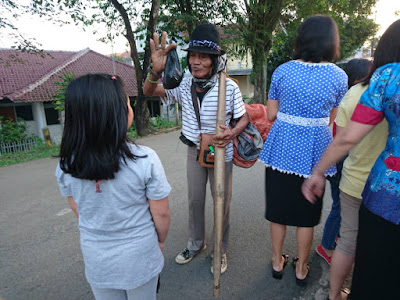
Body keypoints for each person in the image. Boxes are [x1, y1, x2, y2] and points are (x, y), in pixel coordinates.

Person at [302, 19, 400, 300]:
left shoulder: (385, 80)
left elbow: (343, 137)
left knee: (352, 244)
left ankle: (334, 295)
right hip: (372, 190)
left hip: (381, 191)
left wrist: (318, 171)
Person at [143, 23, 248, 274]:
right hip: (194, 150)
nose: (196, 62)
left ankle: (219, 251)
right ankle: (195, 243)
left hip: (222, 153)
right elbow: (149, 92)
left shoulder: (229, 86)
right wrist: (154, 72)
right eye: (192, 56)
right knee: (195, 201)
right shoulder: (182, 82)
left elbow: (243, 118)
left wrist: (232, 132)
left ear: (214, 60)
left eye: (203, 57)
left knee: (221, 202)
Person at [55, 74, 171, 300]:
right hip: (140, 255)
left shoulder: (66, 165)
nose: (130, 107)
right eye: (127, 103)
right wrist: (161, 240)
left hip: (97, 260)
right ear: (116, 114)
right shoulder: (144, 159)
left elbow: (77, 207)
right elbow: (162, 213)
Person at [258, 15, 348, 286]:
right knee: (306, 216)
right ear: (332, 42)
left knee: (278, 209)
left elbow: (271, 114)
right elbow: (332, 119)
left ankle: (277, 261)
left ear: (301, 39)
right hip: (316, 152)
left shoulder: (283, 71)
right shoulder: (339, 76)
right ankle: (302, 267)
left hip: (281, 148)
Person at [316, 58, 372, 265]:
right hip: (340, 161)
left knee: (343, 208)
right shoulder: (351, 100)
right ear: (358, 78)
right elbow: (342, 139)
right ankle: (327, 246)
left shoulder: (349, 98)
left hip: (340, 160)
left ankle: (336, 240)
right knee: (340, 207)